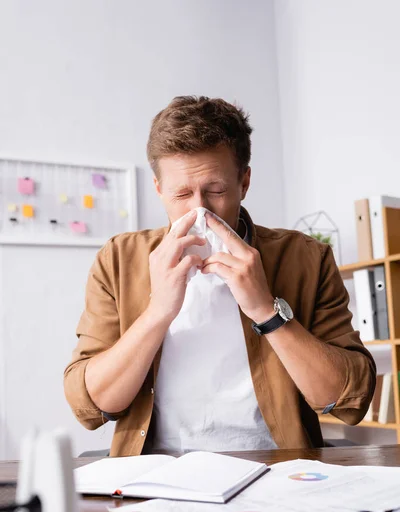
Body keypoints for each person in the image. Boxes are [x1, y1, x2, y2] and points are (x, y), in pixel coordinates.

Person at [64, 96, 376, 456]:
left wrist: (266, 310)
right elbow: (90, 406)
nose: (199, 211)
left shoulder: (307, 258)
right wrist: (158, 312)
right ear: (158, 189)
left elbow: (348, 401)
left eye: (216, 190)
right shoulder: (118, 259)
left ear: (244, 182)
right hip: (155, 473)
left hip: (277, 468)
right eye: (181, 193)